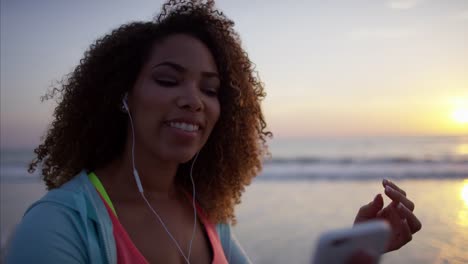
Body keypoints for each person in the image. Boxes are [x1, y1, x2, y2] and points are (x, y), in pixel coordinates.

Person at [5, 1, 421, 263]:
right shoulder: (59, 226)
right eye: (169, 80)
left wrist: (352, 251)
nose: (194, 100)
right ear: (122, 95)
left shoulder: (208, 218)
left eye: (210, 89)